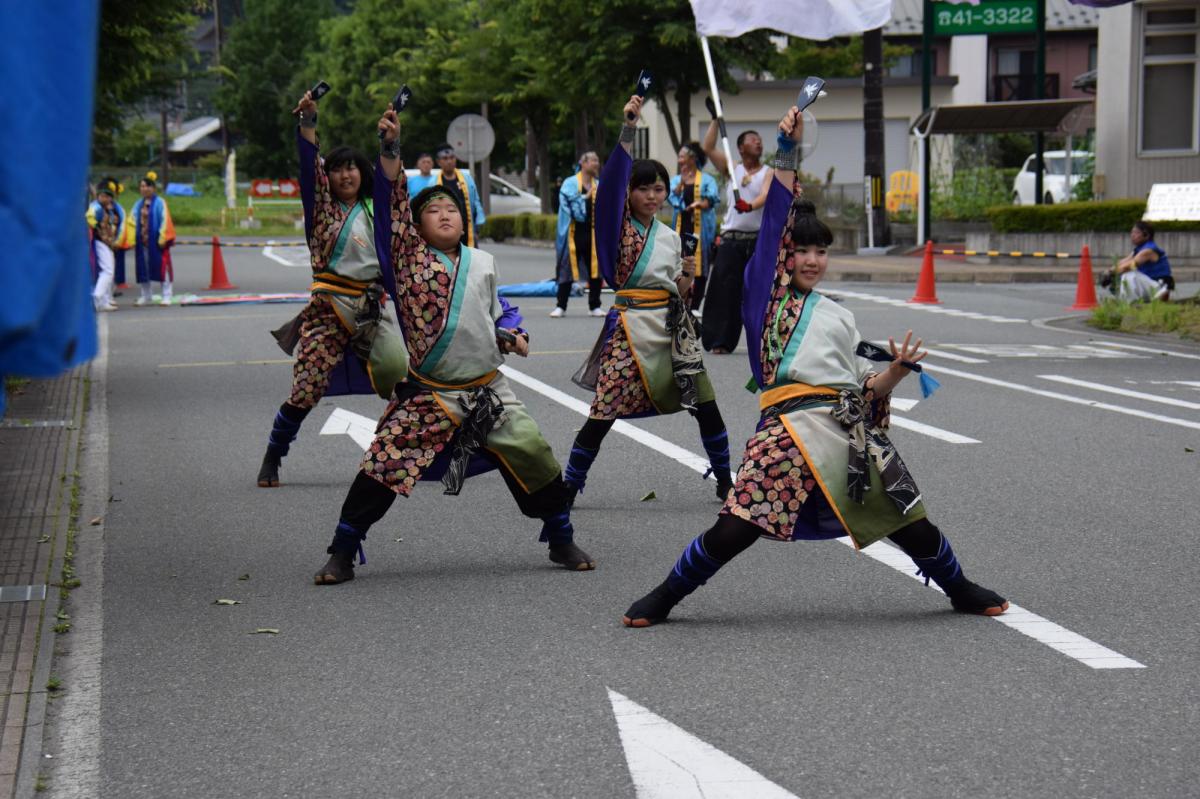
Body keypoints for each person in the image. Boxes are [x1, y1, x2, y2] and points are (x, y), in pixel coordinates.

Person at [621, 104, 1009, 628]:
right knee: (734, 529)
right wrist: (787, 150)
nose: (810, 259)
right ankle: (665, 596)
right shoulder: (766, 296)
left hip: (844, 431)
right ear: (783, 256)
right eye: (800, 250)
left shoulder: (838, 315)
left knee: (907, 519)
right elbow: (777, 215)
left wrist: (895, 370)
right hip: (784, 430)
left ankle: (958, 586)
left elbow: (863, 391)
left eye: (820, 252)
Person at [310, 100, 596, 585]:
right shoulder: (404, 261)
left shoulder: (482, 263)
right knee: (382, 464)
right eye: (433, 210)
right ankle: (343, 548)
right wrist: (391, 148)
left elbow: (498, 309)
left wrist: (513, 333)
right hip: (429, 392)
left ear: (464, 222)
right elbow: (393, 203)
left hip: (487, 388)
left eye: (452, 209)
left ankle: (560, 537)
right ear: (415, 227)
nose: (444, 214)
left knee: (536, 455)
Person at [564, 94, 733, 506]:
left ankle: (726, 480)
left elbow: (679, 290)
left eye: (659, 189)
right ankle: (569, 485)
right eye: (643, 189)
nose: (653, 196)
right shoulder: (615, 227)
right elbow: (611, 188)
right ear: (629, 193)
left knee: (705, 403)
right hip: (628, 327)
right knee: (604, 413)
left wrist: (688, 277)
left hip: (674, 327)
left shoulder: (672, 236)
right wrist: (629, 127)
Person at [255, 89, 409, 488]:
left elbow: (392, 180)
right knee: (304, 390)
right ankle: (274, 453)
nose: (345, 175)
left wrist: (389, 141)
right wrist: (308, 123)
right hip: (328, 309)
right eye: (337, 168)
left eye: (352, 168)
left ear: (363, 172)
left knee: (402, 376)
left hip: (373, 307)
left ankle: (399, 451)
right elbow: (310, 170)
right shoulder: (321, 208)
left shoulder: (378, 208)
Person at [700, 115, 772, 354]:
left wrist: (749, 206)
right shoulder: (733, 168)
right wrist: (715, 119)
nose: (758, 143)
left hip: (756, 241)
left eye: (760, 140)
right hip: (731, 240)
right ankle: (720, 340)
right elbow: (707, 147)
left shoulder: (768, 172)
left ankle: (766, 342)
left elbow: (764, 195)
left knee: (760, 292)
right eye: (753, 140)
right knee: (724, 292)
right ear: (741, 147)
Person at [668, 141, 719, 314]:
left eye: (682, 155)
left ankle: (696, 305)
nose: (680, 159)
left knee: (700, 264)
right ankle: (679, 301)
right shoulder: (675, 179)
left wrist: (699, 204)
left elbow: (711, 199)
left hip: (699, 227)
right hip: (681, 227)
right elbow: (672, 198)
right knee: (678, 263)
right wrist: (681, 184)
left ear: (692, 158)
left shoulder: (707, 179)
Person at [551, 151, 604, 318]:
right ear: (583, 163)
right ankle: (561, 305)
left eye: (597, 160)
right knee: (566, 269)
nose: (596, 163)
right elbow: (568, 203)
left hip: (593, 233)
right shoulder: (570, 183)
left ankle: (594, 305)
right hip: (573, 233)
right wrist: (585, 197)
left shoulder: (599, 183)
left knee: (596, 269)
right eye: (593, 160)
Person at [124, 172, 175, 306]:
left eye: (147, 186)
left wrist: (163, 238)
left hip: (157, 242)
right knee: (143, 269)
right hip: (142, 241)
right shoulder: (138, 204)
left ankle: (167, 295)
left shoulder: (160, 202)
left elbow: (165, 220)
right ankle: (146, 296)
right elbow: (131, 221)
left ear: (153, 188)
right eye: (142, 186)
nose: (144, 189)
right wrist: (132, 240)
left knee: (163, 268)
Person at [434, 143, 486, 247]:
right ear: (439, 162)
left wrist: (478, 225)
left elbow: (476, 201)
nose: (449, 161)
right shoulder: (434, 182)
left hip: (467, 229)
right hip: (446, 229)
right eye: (445, 158)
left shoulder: (467, 179)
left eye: (452, 157)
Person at [85, 177, 125, 312]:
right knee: (107, 271)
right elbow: (89, 217)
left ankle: (103, 300)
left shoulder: (111, 209)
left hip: (108, 243)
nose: (105, 198)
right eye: (102, 195)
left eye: (107, 196)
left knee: (107, 271)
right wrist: (96, 225)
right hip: (99, 242)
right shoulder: (96, 207)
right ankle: (96, 297)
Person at [1112, 220, 1174, 301]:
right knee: (1123, 276)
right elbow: (1123, 262)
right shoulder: (1139, 249)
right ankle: (1126, 301)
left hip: (1159, 287)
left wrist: (1110, 273)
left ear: (1146, 235)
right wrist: (1109, 271)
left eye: (1136, 232)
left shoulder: (1148, 250)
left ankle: (1129, 303)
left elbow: (1129, 266)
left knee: (1129, 275)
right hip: (1150, 285)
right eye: (1132, 233)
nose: (1132, 235)